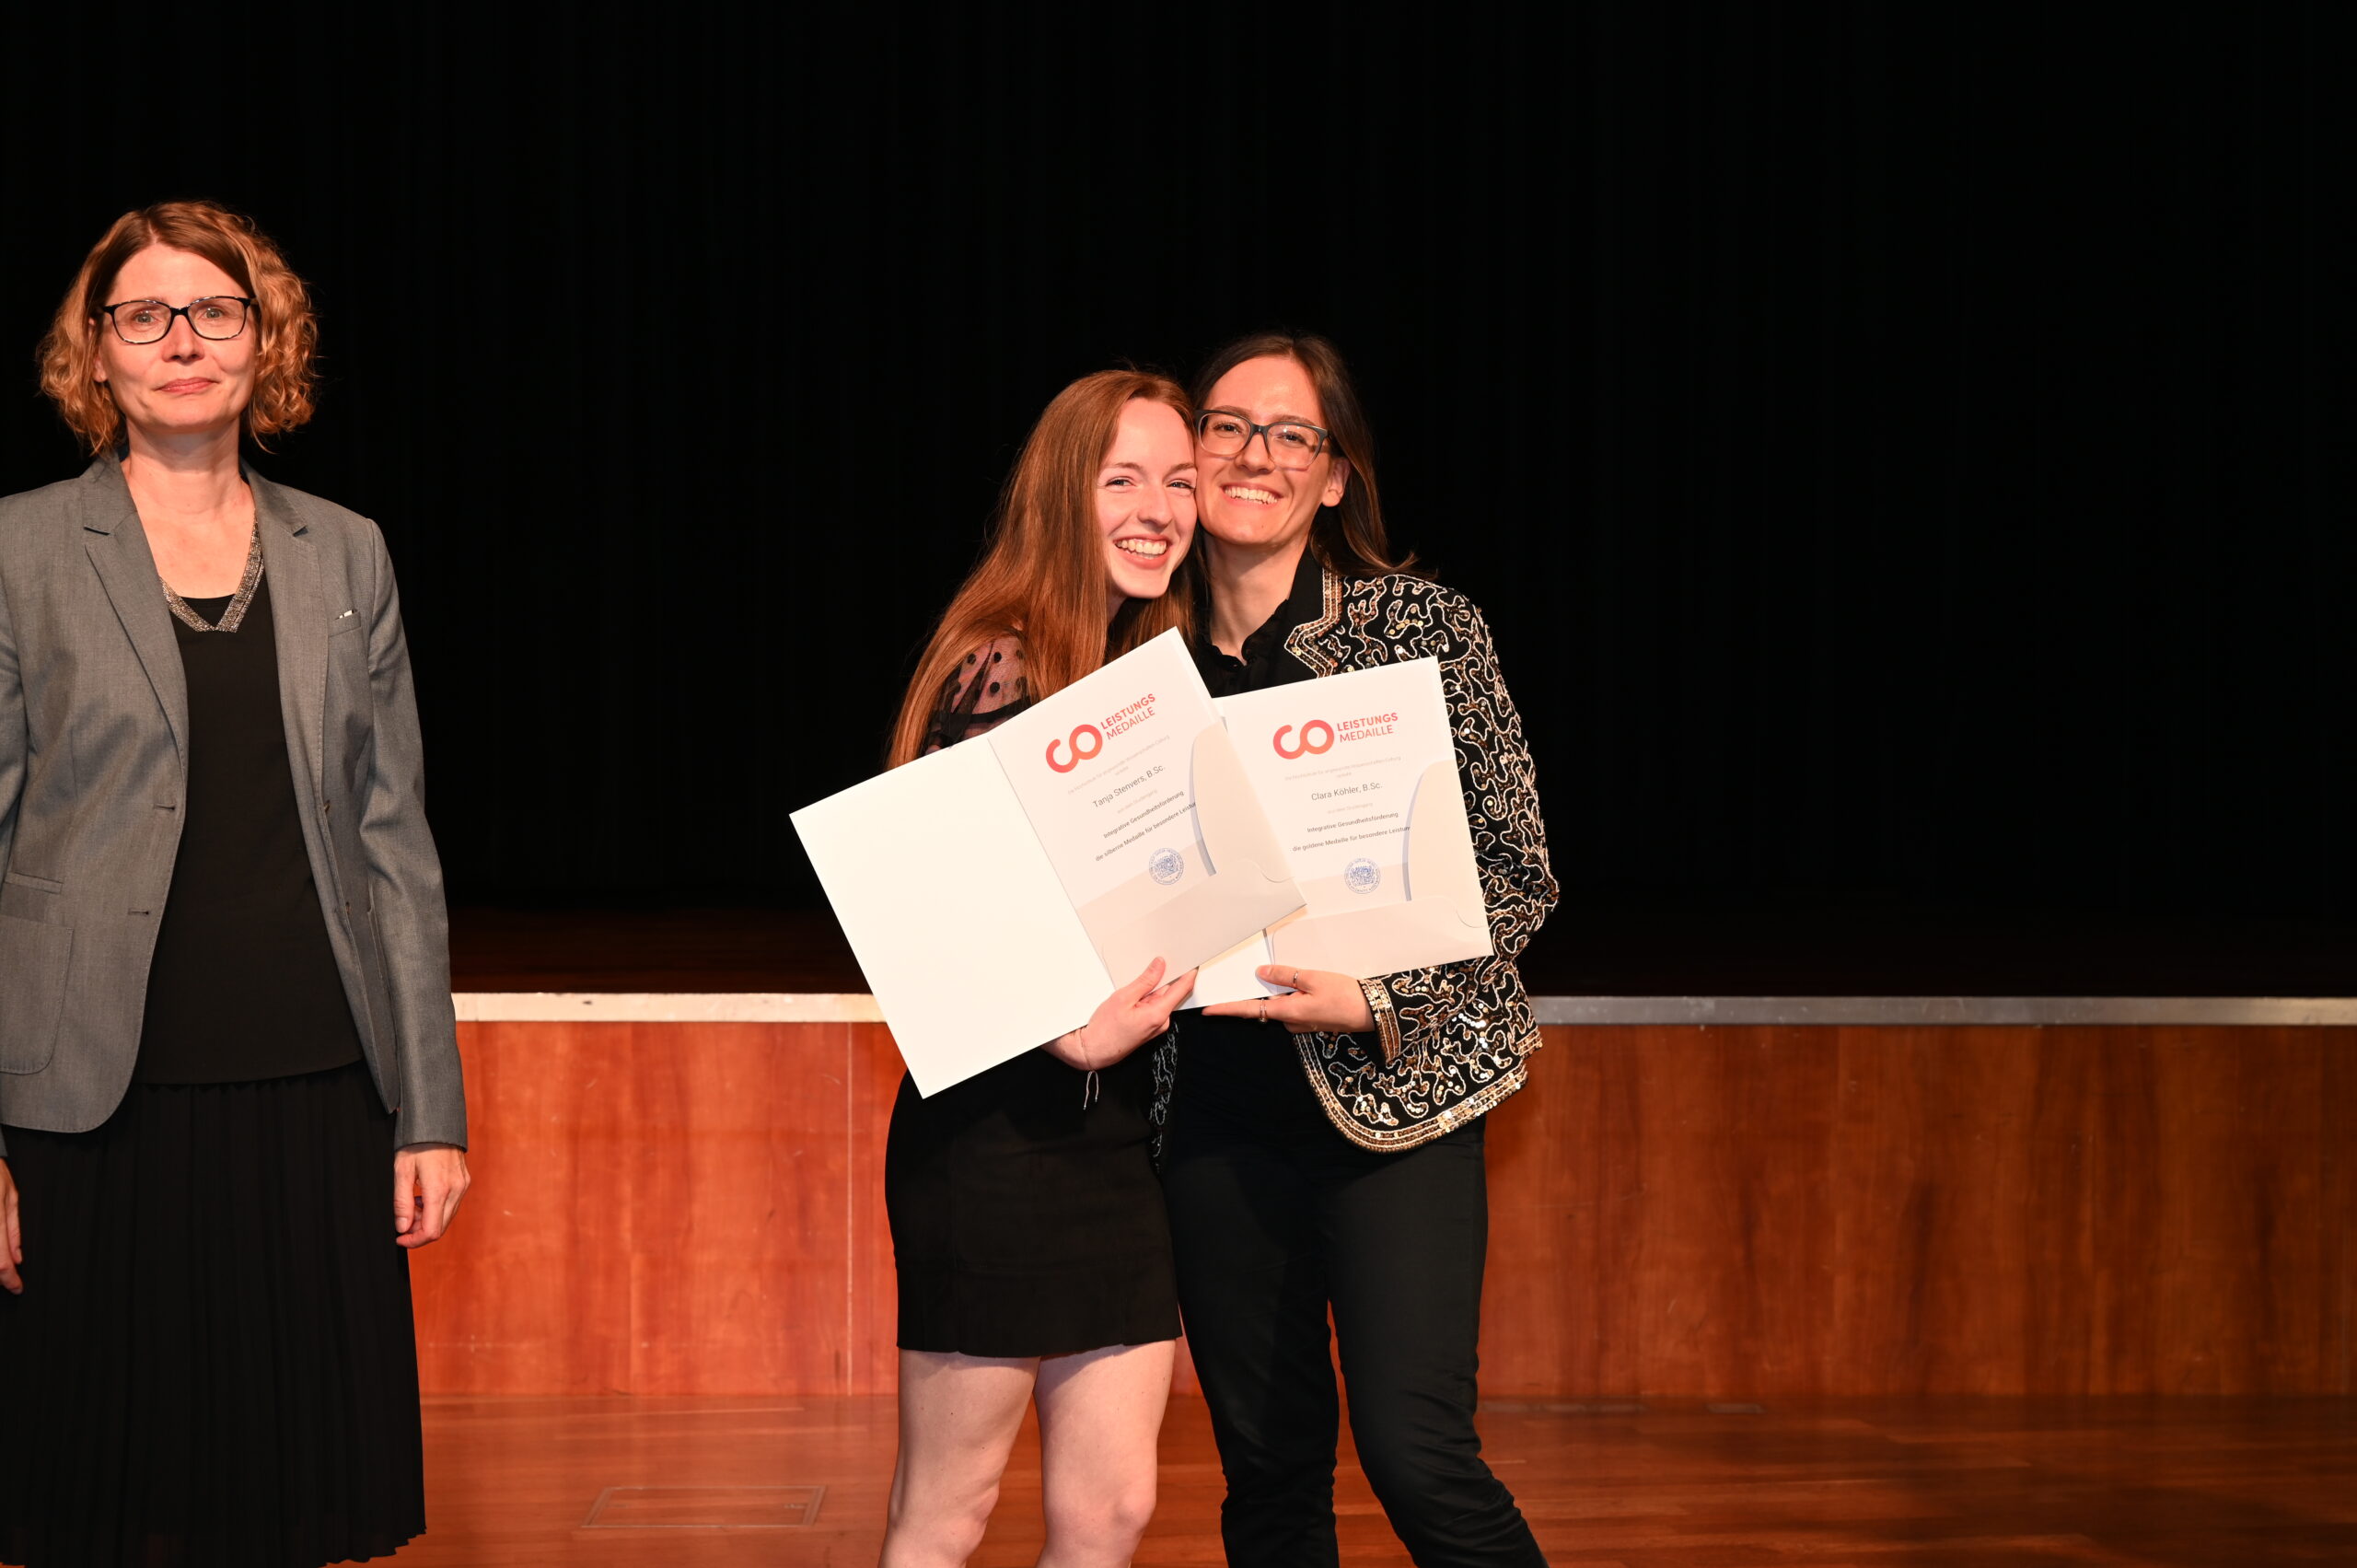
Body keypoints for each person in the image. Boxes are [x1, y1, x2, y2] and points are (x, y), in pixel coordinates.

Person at [0, 201, 469, 1565]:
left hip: (316, 1093)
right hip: (91, 1106)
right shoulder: (20, 552)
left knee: (293, 1499)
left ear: (266, 341)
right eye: (144, 317)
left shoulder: (347, 551)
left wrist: (428, 1109)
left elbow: (397, 846)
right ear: (98, 355)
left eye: (215, 312)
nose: (183, 342)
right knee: (106, 1503)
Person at [1155, 331, 1559, 1568]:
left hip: (1401, 1096)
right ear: (1191, 454)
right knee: (1269, 1477)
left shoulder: (1421, 626)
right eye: (1228, 425)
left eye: (1293, 434)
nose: (1255, 455)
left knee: (1414, 1450)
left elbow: (1517, 870)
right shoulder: (1132, 660)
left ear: (1335, 477)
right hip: (1213, 1111)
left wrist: (1378, 992)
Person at [879, 369, 1203, 1568]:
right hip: (996, 1143)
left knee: (1111, 1511)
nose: (1158, 506)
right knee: (947, 1513)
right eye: (1124, 478)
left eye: (1179, 481)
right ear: (1063, 495)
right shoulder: (995, 664)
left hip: (1115, 1148)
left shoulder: (1151, 676)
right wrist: (1068, 1035)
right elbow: (935, 917)